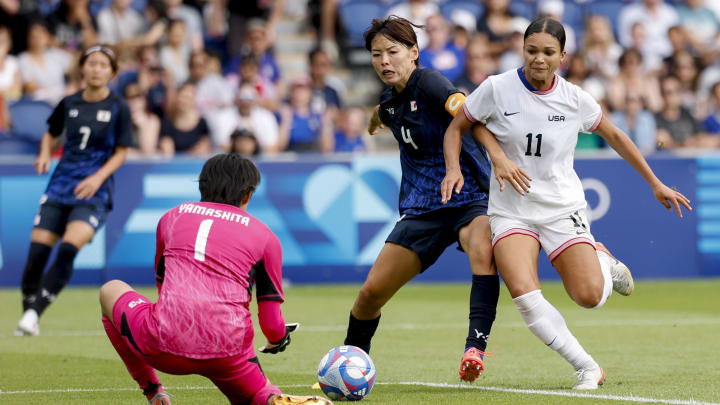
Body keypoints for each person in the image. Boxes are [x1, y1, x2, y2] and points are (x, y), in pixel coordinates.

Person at [442, 17, 692, 389]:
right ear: (521, 50)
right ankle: (587, 367)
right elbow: (456, 127)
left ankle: (603, 262)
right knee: (525, 296)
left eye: (547, 52)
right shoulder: (496, 88)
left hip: (562, 209)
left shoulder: (575, 99)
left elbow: (617, 136)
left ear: (563, 57)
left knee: (589, 297)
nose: (538, 59)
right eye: (531, 51)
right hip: (511, 211)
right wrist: (452, 169)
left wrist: (655, 183)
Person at [98, 154, 333, 405]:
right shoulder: (266, 237)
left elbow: (163, 285)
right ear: (248, 195)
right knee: (256, 395)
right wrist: (278, 339)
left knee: (110, 289)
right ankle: (269, 398)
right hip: (228, 352)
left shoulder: (172, 217)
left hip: (163, 344)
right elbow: (271, 323)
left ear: (202, 185)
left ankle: (153, 390)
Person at [342, 16, 499, 384]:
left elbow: (468, 115)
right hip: (423, 208)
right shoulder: (388, 101)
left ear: (414, 52)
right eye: (376, 55)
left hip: (469, 196)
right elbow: (384, 112)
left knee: (482, 249)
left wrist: (499, 160)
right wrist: (373, 120)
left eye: (393, 52)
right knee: (369, 295)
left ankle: (474, 348)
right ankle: (349, 364)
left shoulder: (429, 81)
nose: (384, 61)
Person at [15, 45, 132, 336]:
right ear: (83, 68)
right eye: (92, 63)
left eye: (103, 65)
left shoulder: (119, 107)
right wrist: (44, 153)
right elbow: (51, 133)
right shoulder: (68, 103)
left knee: (68, 249)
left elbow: (121, 152)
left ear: (112, 72)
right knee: (37, 255)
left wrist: (97, 178)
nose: (96, 69)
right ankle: (29, 310)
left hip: (93, 191)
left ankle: (33, 314)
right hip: (60, 185)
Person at [159, 81, 211, 156]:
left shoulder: (202, 123)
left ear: (194, 100)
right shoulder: (167, 122)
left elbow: (204, 148)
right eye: (182, 97)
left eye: (188, 98)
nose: (184, 101)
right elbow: (166, 150)